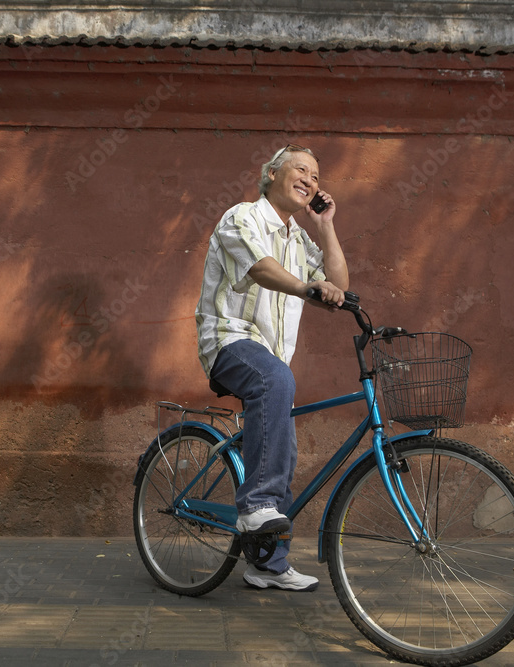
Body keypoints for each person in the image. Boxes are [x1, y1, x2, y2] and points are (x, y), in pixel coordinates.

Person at [195, 144, 349, 592]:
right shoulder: (241, 217)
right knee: (275, 379)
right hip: (229, 340)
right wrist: (306, 287)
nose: (310, 180)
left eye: (317, 176)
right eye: (301, 169)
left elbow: (338, 285)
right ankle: (257, 503)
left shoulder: (299, 239)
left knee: (285, 448)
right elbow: (261, 269)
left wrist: (326, 227)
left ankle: (268, 564)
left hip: (272, 360)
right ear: (271, 175)